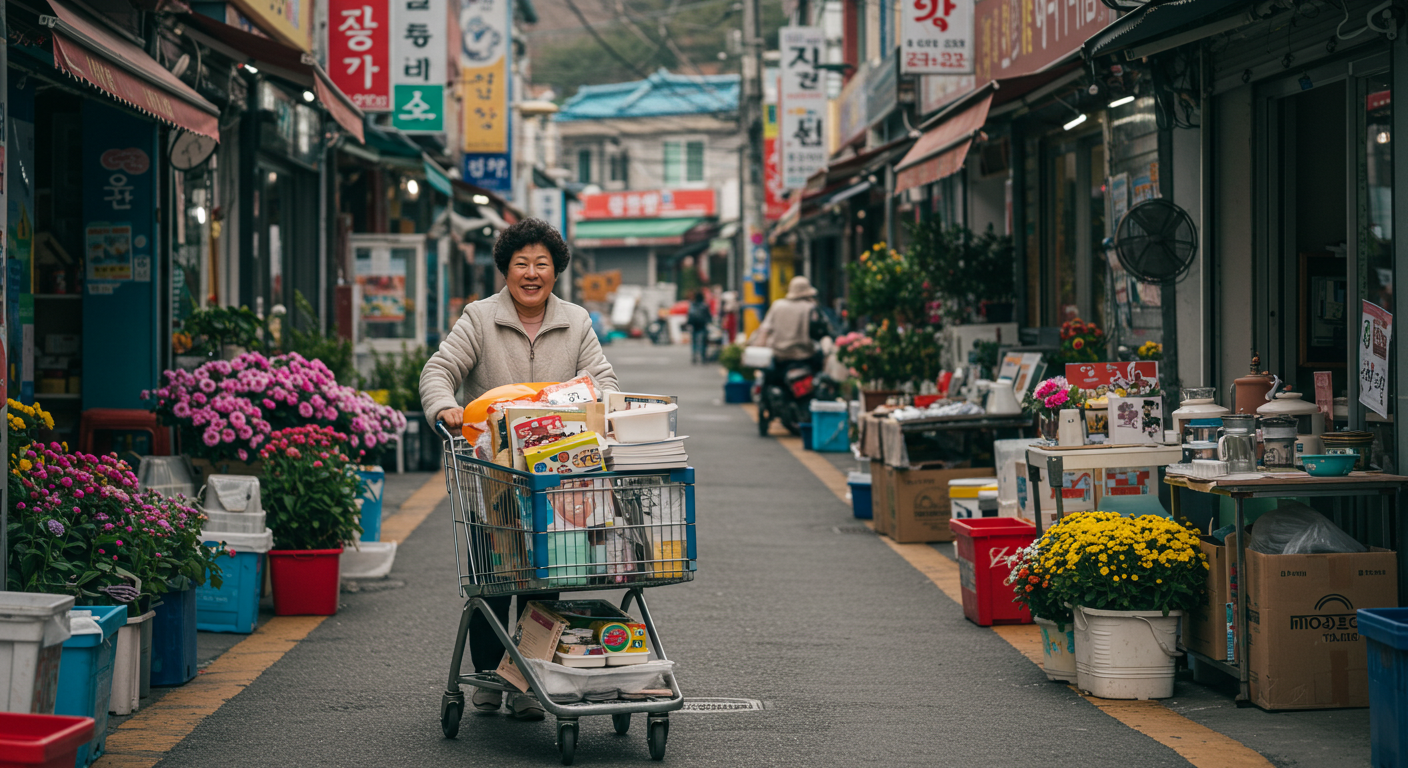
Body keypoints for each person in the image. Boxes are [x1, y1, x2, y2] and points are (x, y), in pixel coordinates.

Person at [420, 218, 618, 721]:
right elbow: (439, 370)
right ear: (506, 269)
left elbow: (604, 379)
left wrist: (614, 412)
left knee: (544, 583)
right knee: (494, 579)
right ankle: (490, 676)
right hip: (491, 479)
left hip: (555, 480)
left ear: (557, 271)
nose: (531, 273)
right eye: (521, 264)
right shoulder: (480, 318)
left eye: (541, 264)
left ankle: (529, 680)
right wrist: (444, 406)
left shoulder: (576, 322)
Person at [751, 276, 827, 381]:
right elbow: (821, 331)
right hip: (804, 357)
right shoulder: (810, 307)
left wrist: (757, 349)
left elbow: (764, 331)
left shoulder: (777, 305)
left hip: (779, 358)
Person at [686, 290, 712, 364]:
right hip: (702, 325)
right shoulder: (704, 306)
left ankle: (694, 355)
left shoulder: (692, 305)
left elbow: (689, 315)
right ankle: (703, 356)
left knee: (694, 341)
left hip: (694, 325)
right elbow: (709, 316)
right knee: (703, 342)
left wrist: (688, 323)